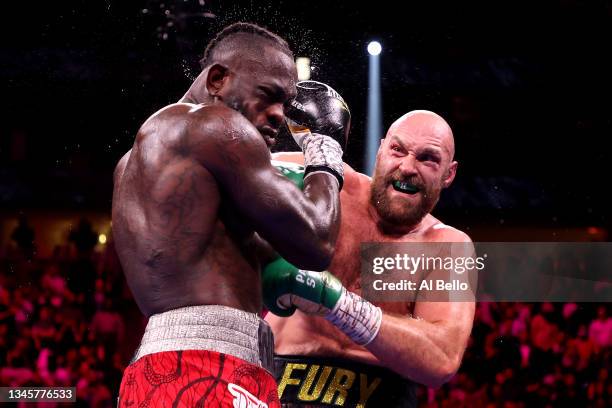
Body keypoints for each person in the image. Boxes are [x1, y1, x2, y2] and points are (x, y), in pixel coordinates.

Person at [112, 23, 350, 407]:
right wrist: (325, 152)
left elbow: (231, 254)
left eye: (286, 107)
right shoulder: (216, 126)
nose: (279, 116)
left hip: (154, 373)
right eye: (269, 96)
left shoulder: (131, 165)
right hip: (210, 370)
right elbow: (317, 240)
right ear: (218, 79)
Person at [264, 110, 476, 407]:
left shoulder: (447, 247)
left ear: (448, 174)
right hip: (276, 382)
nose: (407, 167)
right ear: (380, 150)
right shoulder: (329, 184)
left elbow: (442, 358)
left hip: (380, 396)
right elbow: (227, 159)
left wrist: (335, 302)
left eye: (428, 158)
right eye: (397, 149)